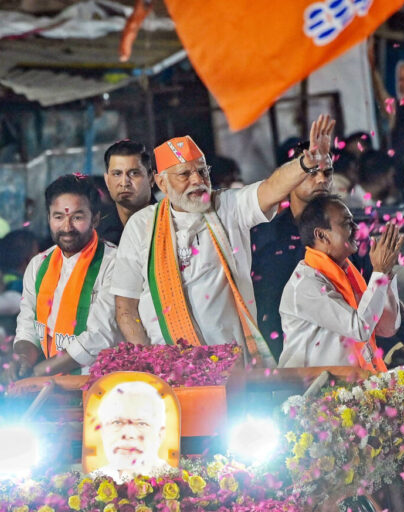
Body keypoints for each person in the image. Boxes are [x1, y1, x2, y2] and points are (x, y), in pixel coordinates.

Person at [112, 115, 336, 366]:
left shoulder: (228, 206)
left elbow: (271, 188)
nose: (197, 181)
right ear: (161, 181)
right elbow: (126, 308)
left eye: (202, 171)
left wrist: (306, 163)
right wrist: (149, 363)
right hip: (168, 369)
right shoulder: (141, 226)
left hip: (231, 365)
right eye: (185, 174)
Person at [250, 141, 372, 358]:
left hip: (351, 360)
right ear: (290, 177)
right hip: (297, 365)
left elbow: (370, 294)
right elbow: (266, 309)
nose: (322, 179)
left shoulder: (350, 233)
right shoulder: (268, 237)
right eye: (311, 172)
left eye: (328, 172)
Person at [11, 174, 120, 379]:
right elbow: (27, 327)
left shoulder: (113, 263)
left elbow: (100, 336)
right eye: (58, 217)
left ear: (95, 218)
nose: (67, 227)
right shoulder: (38, 265)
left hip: (96, 387)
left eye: (77, 217)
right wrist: (23, 360)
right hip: (46, 391)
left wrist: (41, 370)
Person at [278, 195, 401, 371]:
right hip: (310, 390)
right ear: (321, 235)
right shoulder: (305, 284)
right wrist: (379, 272)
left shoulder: (348, 273)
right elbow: (360, 329)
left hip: (348, 387)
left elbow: (387, 328)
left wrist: (386, 274)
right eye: (346, 223)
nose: (357, 228)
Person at [93, 381, 173, 483]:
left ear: (160, 434)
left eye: (141, 424)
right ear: (103, 431)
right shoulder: (92, 482)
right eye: (117, 422)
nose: (128, 434)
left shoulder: (176, 481)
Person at [98, 140, 155, 245]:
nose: (124, 183)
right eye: (117, 174)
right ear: (107, 181)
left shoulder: (170, 223)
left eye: (134, 173)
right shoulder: (97, 235)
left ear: (151, 178)